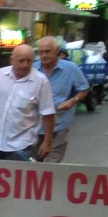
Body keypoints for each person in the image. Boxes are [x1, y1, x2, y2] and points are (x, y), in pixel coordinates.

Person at [0, 43, 55, 162]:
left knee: (21, 174)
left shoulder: (40, 81)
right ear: (12, 60)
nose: (25, 65)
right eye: (21, 61)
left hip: (22, 146)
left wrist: (47, 142)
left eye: (29, 61)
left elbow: (48, 114)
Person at [34, 35, 88, 163]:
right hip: (34, 127)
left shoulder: (71, 68)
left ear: (57, 50)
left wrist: (73, 101)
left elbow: (84, 89)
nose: (44, 55)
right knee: (32, 165)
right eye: (41, 52)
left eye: (48, 51)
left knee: (51, 166)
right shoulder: (33, 69)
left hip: (58, 126)